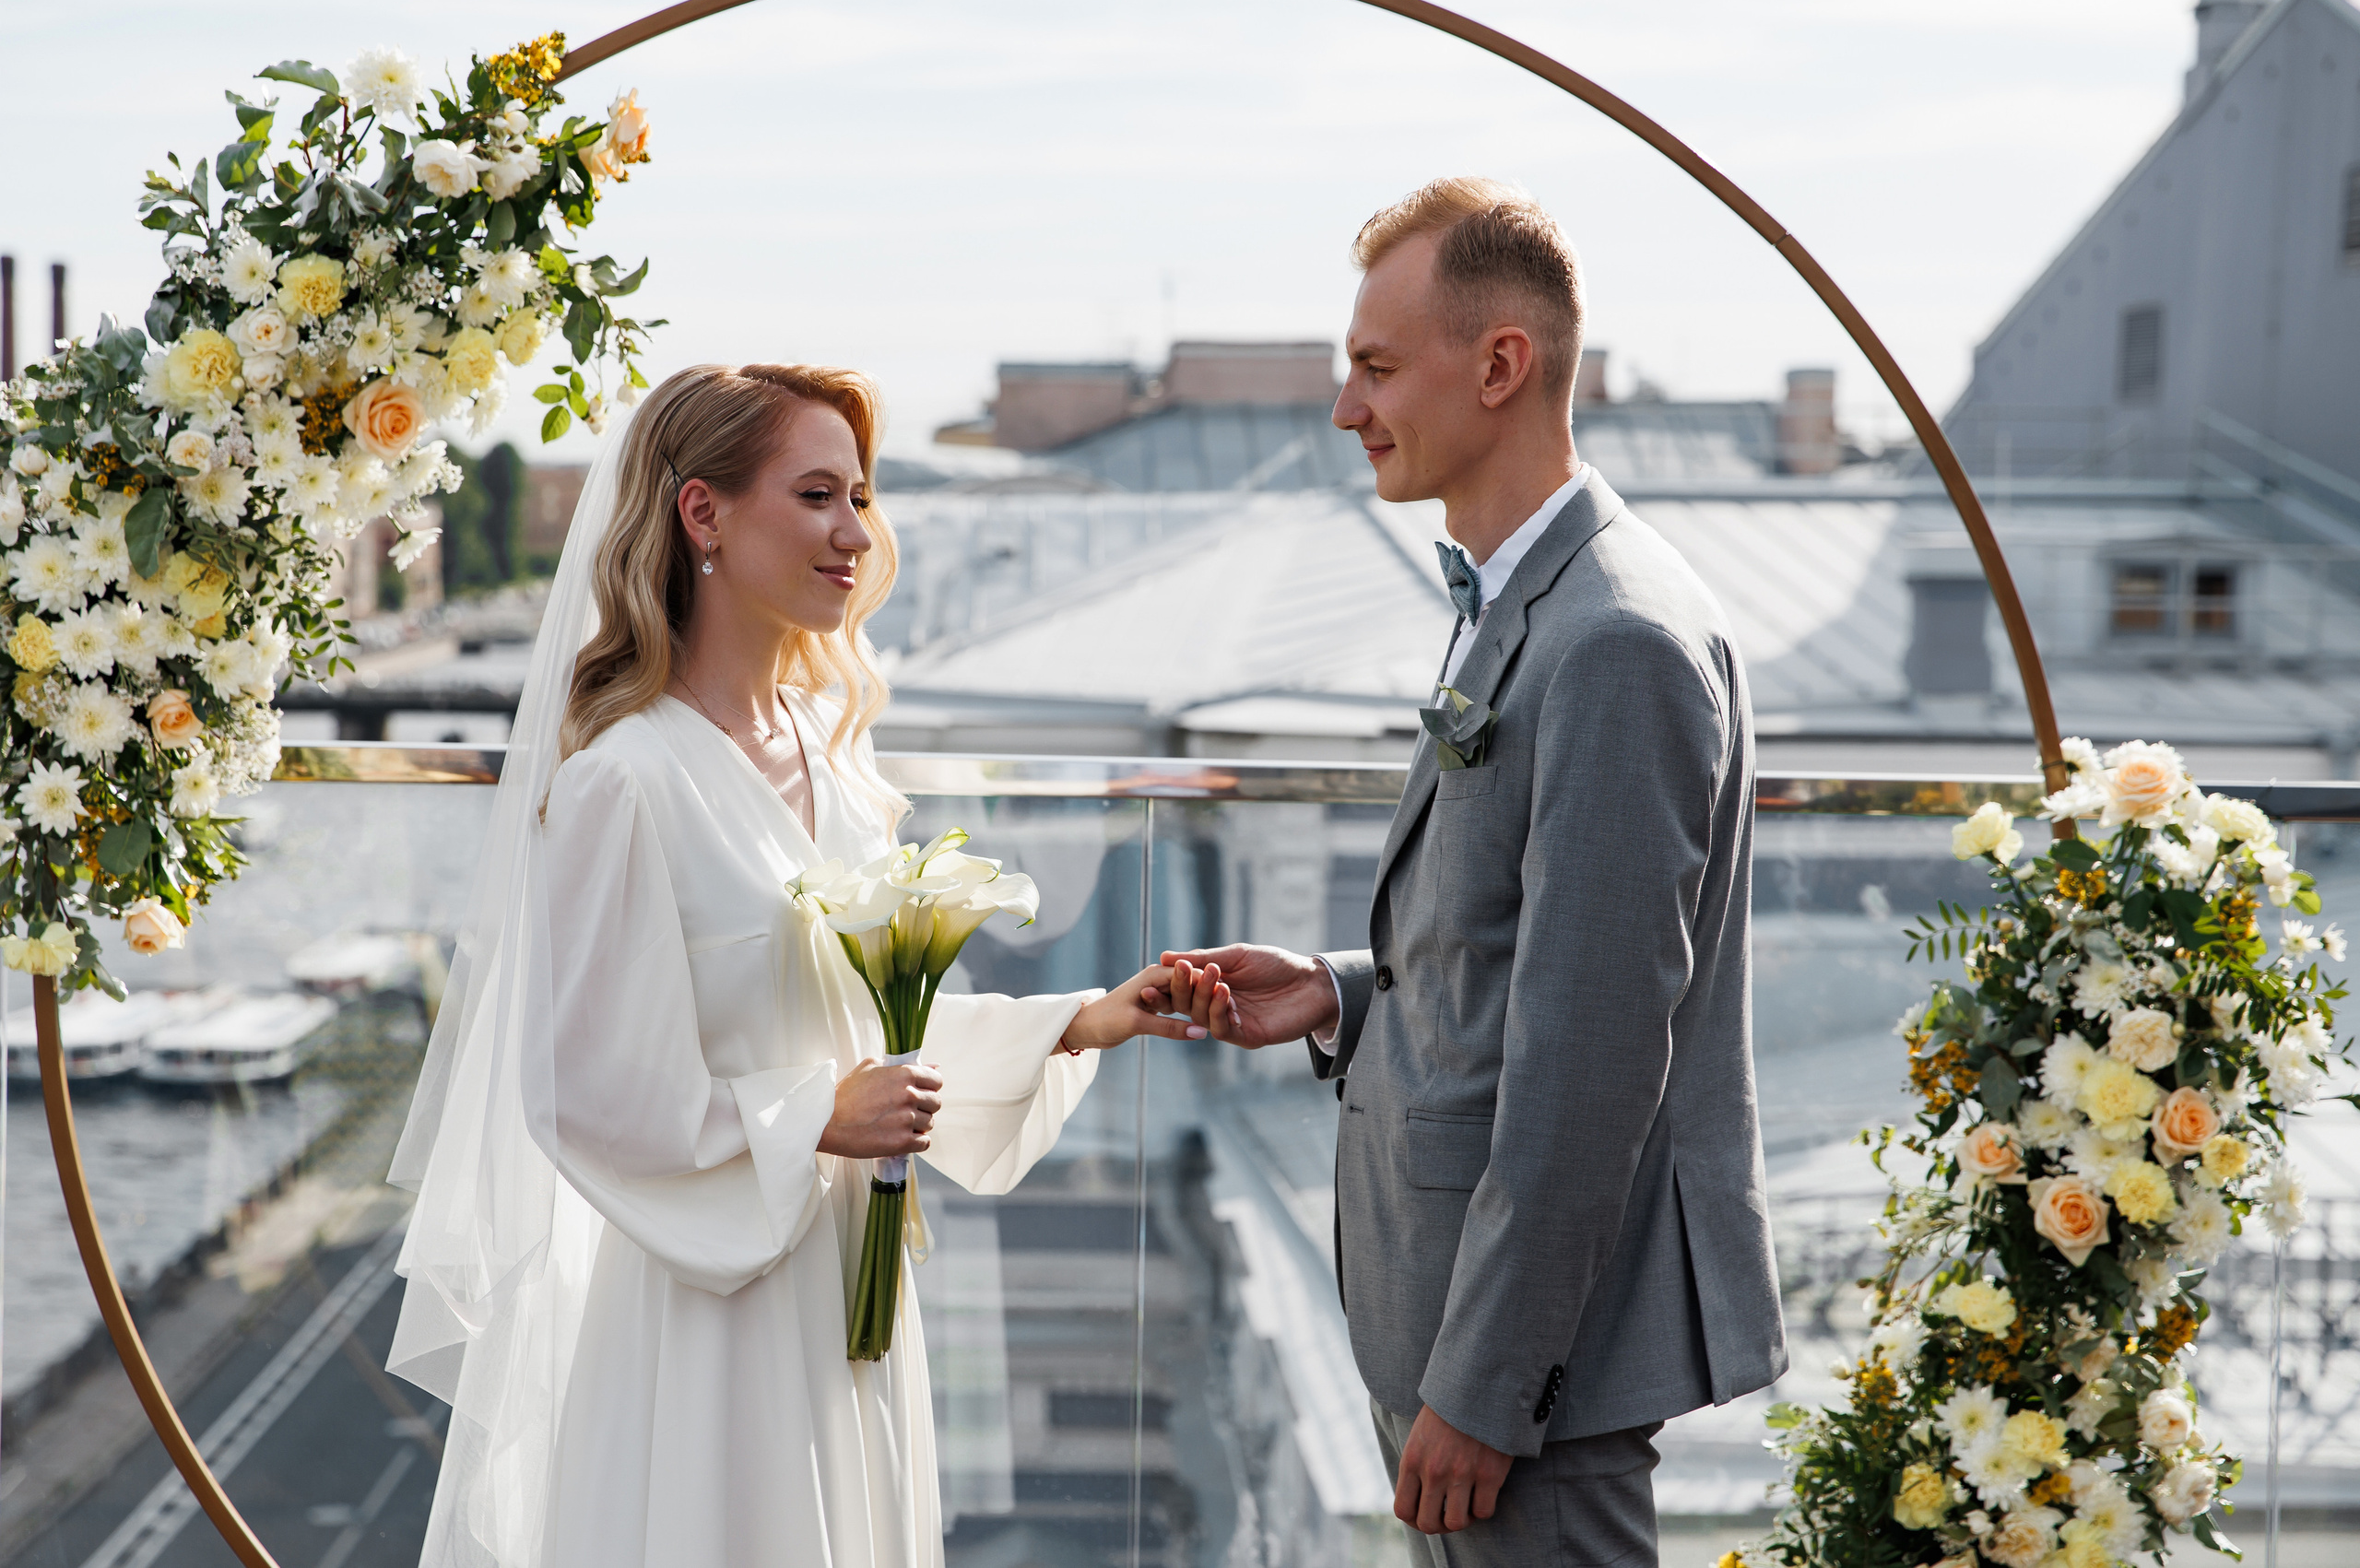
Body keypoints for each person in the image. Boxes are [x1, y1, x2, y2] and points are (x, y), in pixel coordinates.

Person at [385, 362, 1197, 1568]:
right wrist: (814, 1114)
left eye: (860, 498)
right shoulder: (624, 783)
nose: (855, 534)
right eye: (817, 495)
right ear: (702, 514)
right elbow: (585, 1096)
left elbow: (868, 1041)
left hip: (844, 1301)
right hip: (707, 1318)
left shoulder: (835, 756)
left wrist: (1086, 1020)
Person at [1159, 179, 1786, 1567]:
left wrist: (1488, 1388)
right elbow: (1527, 951)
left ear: (1500, 363)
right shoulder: (1527, 599)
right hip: (1461, 1330)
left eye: (1375, 369)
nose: (1346, 408)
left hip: (1522, 1378)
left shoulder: (1616, 639)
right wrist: (1339, 993)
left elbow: (1596, 1055)